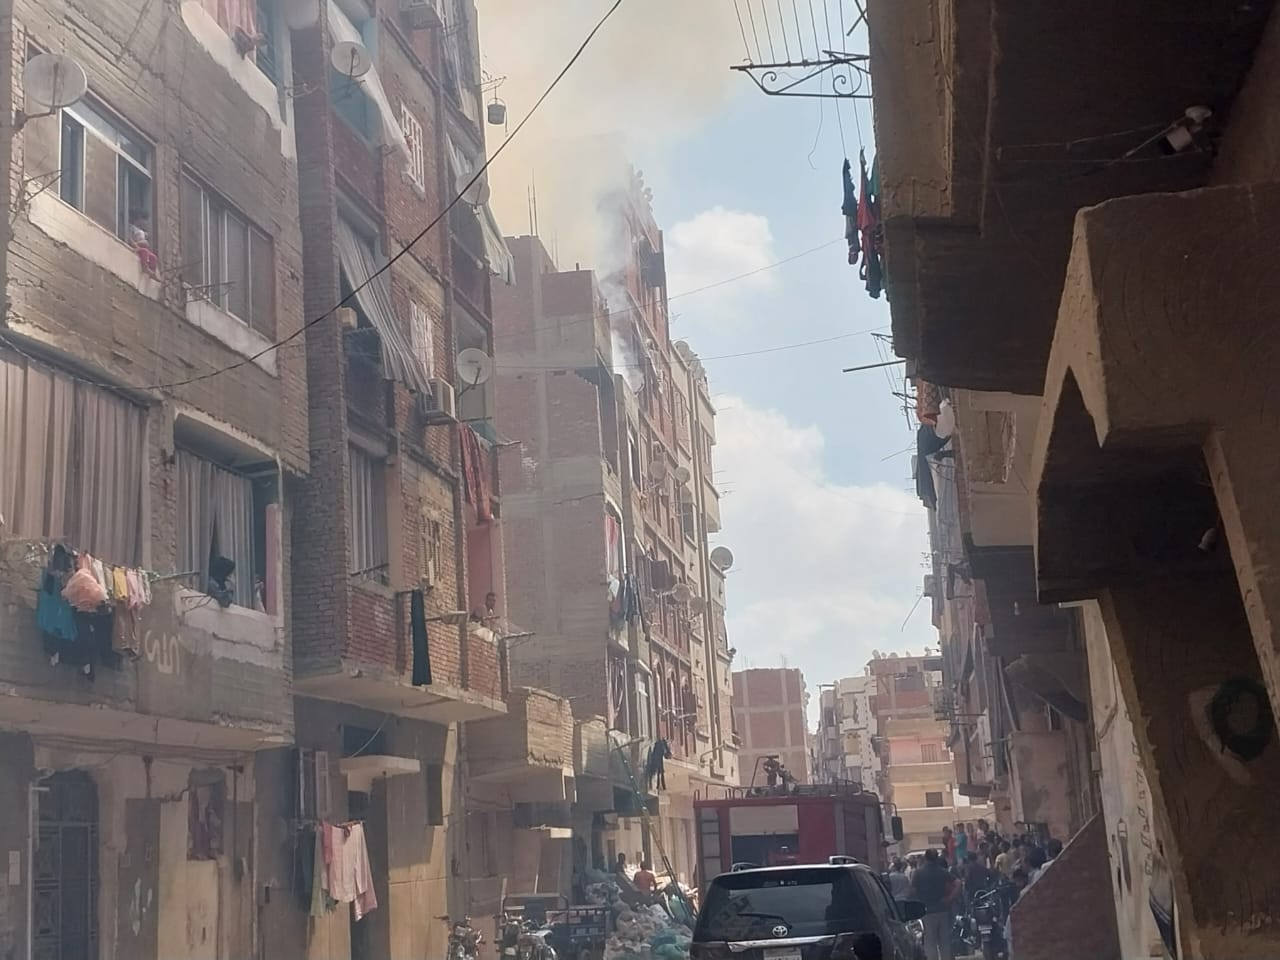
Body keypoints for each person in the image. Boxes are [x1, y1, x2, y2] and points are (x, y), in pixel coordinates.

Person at [910, 850, 957, 960]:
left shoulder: (918, 873)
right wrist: (950, 898)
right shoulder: (942, 872)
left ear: (925, 858)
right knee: (945, 942)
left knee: (930, 943)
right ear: (936, 858)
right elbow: (958, 883)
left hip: (926, 912)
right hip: (943, 910)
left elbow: (912, 891)